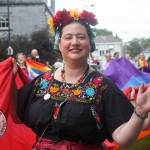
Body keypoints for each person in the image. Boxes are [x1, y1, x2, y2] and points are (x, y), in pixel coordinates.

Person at [11, 9, 150, 150]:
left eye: (81, 37)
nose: (75, 42)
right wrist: (9, 80)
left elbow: (123, 139)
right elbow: (17, 116)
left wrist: (140, 112)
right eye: (68, 37)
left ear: (90, 44)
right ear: (59, 43)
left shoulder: (103, 87)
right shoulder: (42, 82)